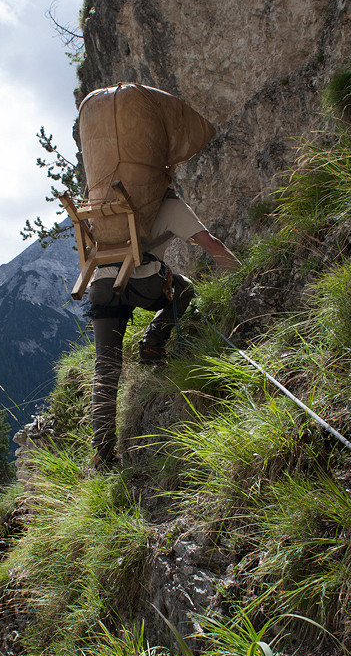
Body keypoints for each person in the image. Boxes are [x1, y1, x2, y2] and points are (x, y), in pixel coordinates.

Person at [88, 188, 240, 469]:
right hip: (141, 281)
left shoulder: (107, 206)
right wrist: (245, 276)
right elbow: (212, 244)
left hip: (101, 284)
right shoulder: (168, 204)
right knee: (183, 288)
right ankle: (153, 342)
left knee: (106, 366)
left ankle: (103, 452)